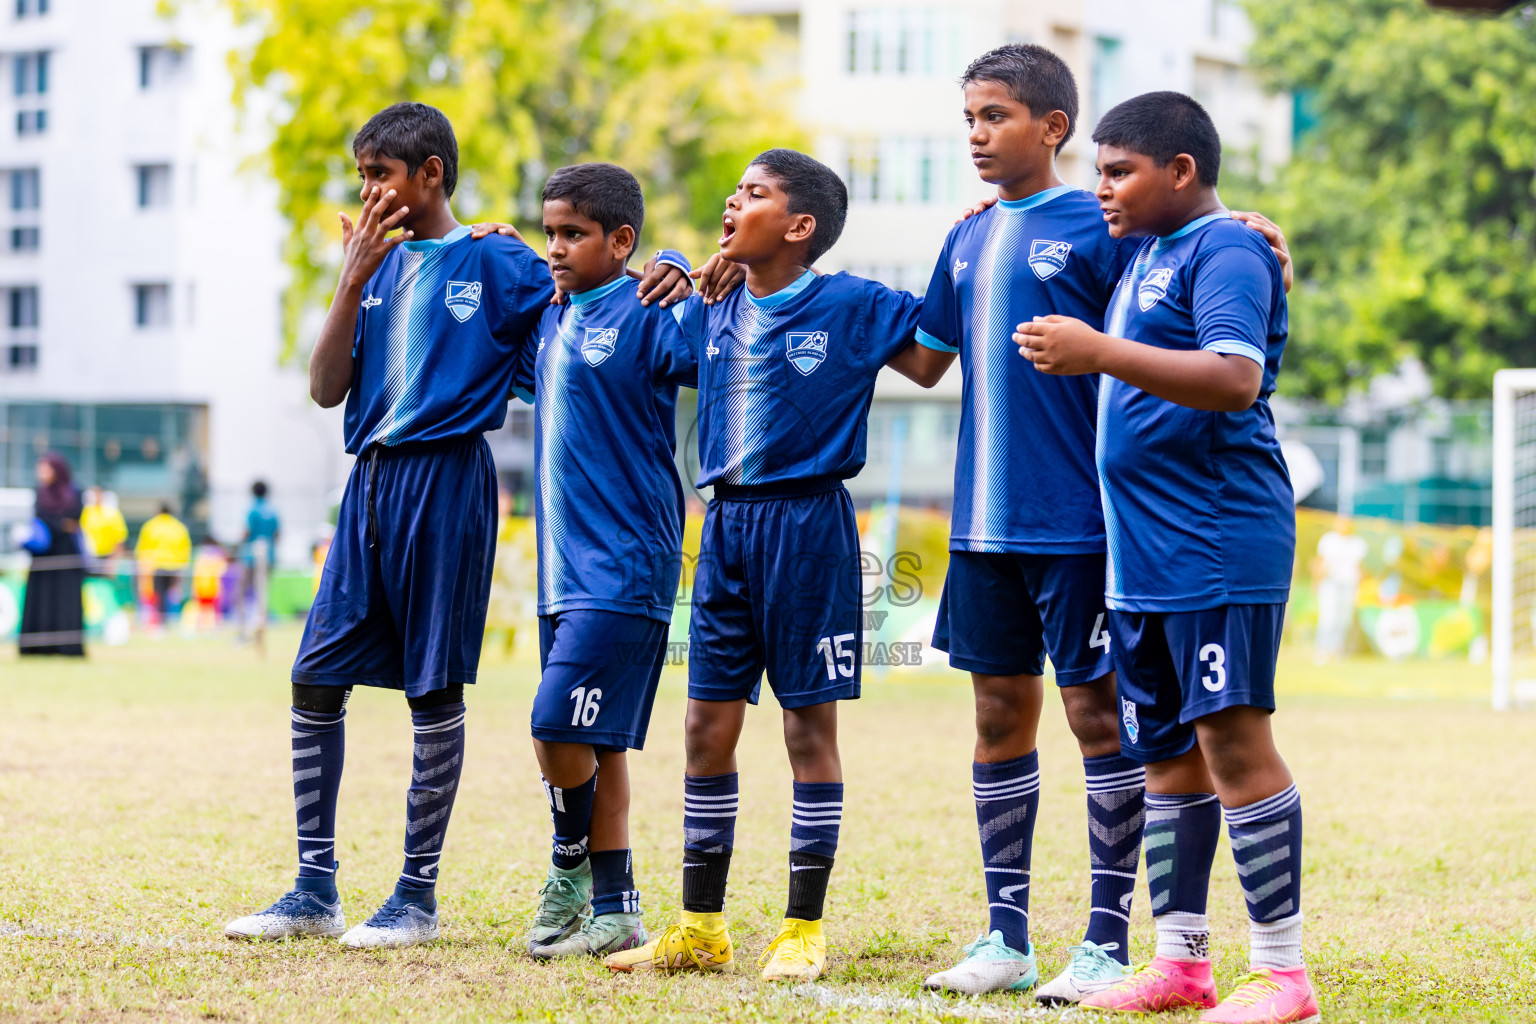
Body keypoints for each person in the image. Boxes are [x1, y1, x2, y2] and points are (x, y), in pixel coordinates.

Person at [223, 102, 692, 950]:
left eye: (379, 175)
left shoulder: (499, 258)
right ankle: (313, 887)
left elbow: (587, 296)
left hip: (448, 479)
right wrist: (352, 274)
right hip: (369, 484)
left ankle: (415, 895)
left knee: (431, 687)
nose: (366, 192)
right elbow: (329, 389)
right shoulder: (376, 264)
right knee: (313, 678)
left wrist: (671, 266)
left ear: (429, 174)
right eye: (360, 176)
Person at [605, 149, 941, 982]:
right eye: (732, 192)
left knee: (805, 727)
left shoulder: (855, 304)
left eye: (753, 193)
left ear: (801, 227)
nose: (731, 201)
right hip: (725, 529)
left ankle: (801, 926)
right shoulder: (711, 308)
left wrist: (966, 240)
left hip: (810, 526)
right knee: (704, 726)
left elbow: (935, 354)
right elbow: (639, 328)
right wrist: (677, 266)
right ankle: (700, 925)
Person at [1016, 92, 1315, 1024]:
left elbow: (1235, 377)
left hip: (1217, 538)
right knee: (1167, 754)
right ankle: (1181, 962)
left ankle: (1283, 976)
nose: (1100, 189)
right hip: (1143, 552)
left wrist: (1098, 351)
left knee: (1232, 738)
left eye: (1117, 172)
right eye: (1098, 171)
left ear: (1180, 171)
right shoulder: (1147, 247)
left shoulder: (1224, 247)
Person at [502, 163, 698, 961]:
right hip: (561, 572)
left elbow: (719, 328)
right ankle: (617, 910)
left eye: (573, 234)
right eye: (549, 232)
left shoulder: (649, 312)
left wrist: (683, 264)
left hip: (626, 566)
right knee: (601, 740)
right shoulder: (550, 323)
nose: (555, 248)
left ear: (622, 243)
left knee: (554, 722)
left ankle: (569, 865)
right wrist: (492, 241)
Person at [18, 453, 85, 657]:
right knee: (42, 599)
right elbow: (46, 518)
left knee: (66, 601)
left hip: (67, 556)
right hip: (44, 556)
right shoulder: (40, 493)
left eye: (45, 468)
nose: (41, 473)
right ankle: (39, 646)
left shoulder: (74, 492)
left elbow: (75, 518)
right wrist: (62, 524)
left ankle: (67, 647)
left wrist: (59, 523)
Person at [1311, 517, 1366, 662]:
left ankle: (1337, 650)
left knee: (1344, 619)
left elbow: (1360, 568)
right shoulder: (1328, 540)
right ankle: (1322, 650)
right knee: (1328, 618)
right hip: (1331, 583)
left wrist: (1360, 587)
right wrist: (1316, 581)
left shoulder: (1357, 543)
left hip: (1349, 584)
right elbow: (1320, 561)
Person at [237, 480, 281, 653]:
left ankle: (243, 631)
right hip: (268, 557)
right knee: (262, 595)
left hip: (250, 557)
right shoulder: (273, 511)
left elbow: (246, 532)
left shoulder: (252, 509)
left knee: (240, 593)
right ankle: (259, 631)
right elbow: (278, 534)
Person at [135, 503, 192, 629]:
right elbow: (186, 548)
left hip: (157, 565)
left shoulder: (151, 526)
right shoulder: (179, 527)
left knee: (158, 594)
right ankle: (174, 621)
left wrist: (143, 566)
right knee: (173, 594)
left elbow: (142, 548)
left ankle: (160, 622)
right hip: (175, 566)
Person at [80, 486, 128, 562]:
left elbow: (120, 539)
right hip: (88, 556)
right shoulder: (86, 512)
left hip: (109, 556)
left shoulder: (113, 513)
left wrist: (114, 559)